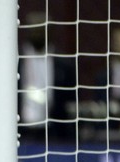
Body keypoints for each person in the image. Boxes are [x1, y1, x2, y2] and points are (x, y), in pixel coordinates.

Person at [18, 12, 77, 142]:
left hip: (54, 132)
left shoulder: (64, 63)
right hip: (20, 130)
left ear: (50, 31)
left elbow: (70, 99)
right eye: (34, 28)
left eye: (41, 28)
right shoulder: (15, 60)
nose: (38, 33)